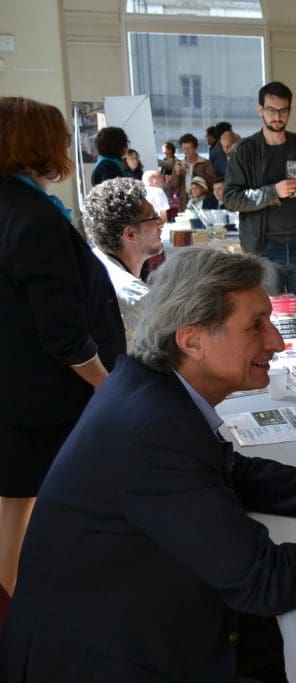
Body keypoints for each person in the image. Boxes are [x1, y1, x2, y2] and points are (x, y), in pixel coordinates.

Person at [0, 247, 296, 682]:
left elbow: (231, 471)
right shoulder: (154, 431)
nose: (276, 341)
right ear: (192, 339)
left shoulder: (148, 388)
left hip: (127, 621)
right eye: (256, 325)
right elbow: (262, 581)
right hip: (101, 660)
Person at [0, 96, 125, 597]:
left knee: (16, 505)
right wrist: (108, 386)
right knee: (32, 506)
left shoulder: (15, 205)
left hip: (19, 388)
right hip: (43, 398)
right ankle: (29, 609)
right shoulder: (34, 217)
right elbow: (63, 332)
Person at [223, 81, 296, 295]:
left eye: (283, 110)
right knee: (268, 317)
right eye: (271, 110)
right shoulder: (244, 150)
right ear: (260, 109)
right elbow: (231, 198)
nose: (277, 117)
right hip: (265, 250)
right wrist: (272, 192)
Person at [83, 177, 167, 340]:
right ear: (130, 233)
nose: (161, 223)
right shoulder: (134, 295)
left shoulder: (97, 259)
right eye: (154, 217)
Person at [172, 132, 216, 209]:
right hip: (185, 201)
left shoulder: (206, 163)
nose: (186, 151)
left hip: (203, 202)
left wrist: (191, 172)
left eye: (189, 148)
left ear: (195, 148)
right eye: (184, 148)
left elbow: (211, 184)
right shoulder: (179, 164)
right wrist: (177, 173)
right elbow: (174, 185)